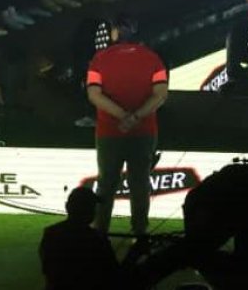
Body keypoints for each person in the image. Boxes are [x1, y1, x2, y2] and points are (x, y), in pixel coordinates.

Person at [86, 16, 168, 239]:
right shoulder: (153, 58)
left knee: (106, 184)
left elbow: (94, 95)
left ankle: (100, 231)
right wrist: (136, 117)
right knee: (140, 184)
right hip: (144, 131)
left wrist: (123, 116)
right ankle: (140, 231)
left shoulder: (99, 59)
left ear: (114, 32)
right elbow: (160, 95)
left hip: (109, 133)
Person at [39, 187, 119, 290]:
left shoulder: (51, 233)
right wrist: (135, 253)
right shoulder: (96, 239)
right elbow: (114, 274)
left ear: (68, 207)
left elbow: (49, 269)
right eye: (90, 207)